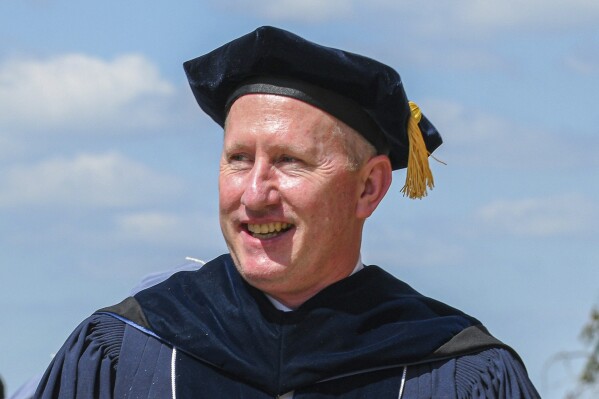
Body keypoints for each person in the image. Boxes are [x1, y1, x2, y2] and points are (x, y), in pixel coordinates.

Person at [34, 26, 540, 398]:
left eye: (288, 162)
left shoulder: (455, 373)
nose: (254, 195)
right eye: (238, 159)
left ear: (369, 188)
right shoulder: (127, 351)